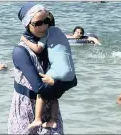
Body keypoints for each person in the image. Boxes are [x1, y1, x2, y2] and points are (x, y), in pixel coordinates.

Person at [8, 3, 77, 134]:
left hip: (51, 111)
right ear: (27, 24)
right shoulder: (20, 51)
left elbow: (74, 80)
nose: (44, 27)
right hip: (25, 109)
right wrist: (59, 86)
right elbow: (38, 87)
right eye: (38, 23)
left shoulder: (52, 46)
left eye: (46, 21)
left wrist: (57, 84)